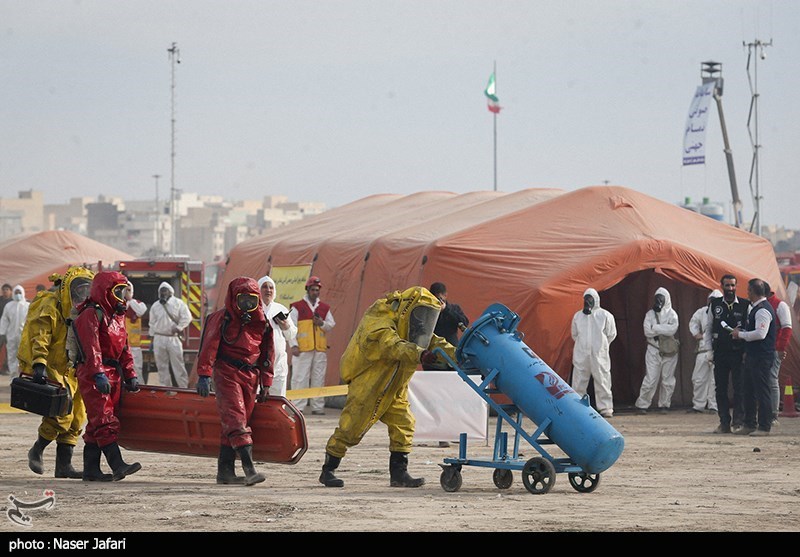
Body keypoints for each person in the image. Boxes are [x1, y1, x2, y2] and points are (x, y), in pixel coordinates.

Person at [319, 286, 456, 488]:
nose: (423, 320)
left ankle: (399, 474)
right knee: (351, 428)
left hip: (395, 386)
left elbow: (430, 340)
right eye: (421, 313)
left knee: (404, 424)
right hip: (370, 383)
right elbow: (391, 345)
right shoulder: (379, 320)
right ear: (408, 308)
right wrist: (420, 354)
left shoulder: (412, 323)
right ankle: (328, 470)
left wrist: (457, 354)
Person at [195, 276, 275, 486]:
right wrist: (204, 373)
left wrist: (266, 382)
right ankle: (250, 469)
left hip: (250, 376)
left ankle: (225, 472)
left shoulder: (262, 323)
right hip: (226, 372)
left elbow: (267, 354)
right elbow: (209, 346)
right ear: (233, 299)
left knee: (233, 424)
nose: (247, 306)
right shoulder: (222, 319)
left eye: (252, 300)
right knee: (236, 418)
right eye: (243, 301)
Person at [18, 267, 93, 479]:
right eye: (79, 290)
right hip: (52, 364)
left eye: (87, 290)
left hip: (73, 366)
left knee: (78, 415)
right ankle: (37, 449)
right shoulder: (50, 305)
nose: (83, 294)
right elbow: (40, 335)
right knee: (62, 412)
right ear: (68, 288)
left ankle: (64, 466)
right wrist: (39, 363)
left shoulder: (81, 309)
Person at [72, 271, 142, 481]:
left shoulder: (117, 315)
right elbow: (90, 346)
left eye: (123, 291)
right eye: (117, 291)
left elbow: (125, 347)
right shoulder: (91, 314)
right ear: (105, 291)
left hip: (113, 372)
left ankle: (91, 470)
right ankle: (117, 464)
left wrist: (130, 374)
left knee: (95, 424)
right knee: (104, 419)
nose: (122, 296)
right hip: (93, 373)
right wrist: (98, 373)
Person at [731, 278, 776, 436]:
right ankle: (749, 423)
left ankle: (764, 426)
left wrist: (740, 335)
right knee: (748, 390)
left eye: (749, 290)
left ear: (754, 292)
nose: (747, 293)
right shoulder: (755, 308)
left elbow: (760, 334)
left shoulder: (763, 310)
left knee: (762, 391)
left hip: (761, 357)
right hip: (752, 356)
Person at [708, 274, 750, 433]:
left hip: (739, 353)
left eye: (733, 285)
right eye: (727, 286)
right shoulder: (715, 305)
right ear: (722, 286)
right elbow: (709, 329)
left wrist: (746, 351)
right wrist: (709, 351)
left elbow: (750, 328)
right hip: (720, 353)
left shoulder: (745, 305)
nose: (730, 289)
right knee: (720, 388)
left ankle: (738, 421)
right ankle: (724, 422)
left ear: (736, 286)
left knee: (740, 388)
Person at [288, 276, 335, 415]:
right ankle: (298, 406)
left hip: (319, 349)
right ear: (307, 289)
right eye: (313, 289)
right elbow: (291, 327)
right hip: (302, 349)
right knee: (300, 377)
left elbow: (331, 325)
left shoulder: (324, 308)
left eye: (317, 290)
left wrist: (322, 323)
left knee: (318, 378)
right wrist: (293, 345)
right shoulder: (297, 307)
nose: (315, 292)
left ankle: (317, 407)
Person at [570, 287, 618, 418]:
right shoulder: (578, 316)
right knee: (579, 380)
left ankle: (606, 408)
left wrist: (602, 346)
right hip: (581, 354)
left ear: (596, 300)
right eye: (586, 299)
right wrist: (583, 346)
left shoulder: (605, 315)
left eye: (590, 300)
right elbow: (574, 334)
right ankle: (577, 407)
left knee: (602, 380)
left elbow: (611, 334)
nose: (588, 302)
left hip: (599, 354)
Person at [635, 287, 679, 414]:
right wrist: (662, 329)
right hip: (653, 349)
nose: (659, 301)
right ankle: (642, 404)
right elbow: (647, 332)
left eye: (661, 298)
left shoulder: (672, 314)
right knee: (650, 378)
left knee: (668, 379)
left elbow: (673, 329)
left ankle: (664, 404)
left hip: (669, 351)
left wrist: (655, 327)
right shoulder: (649, 314)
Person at [257, 275, 297, 398]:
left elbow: (291, 334)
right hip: (257, 364)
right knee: (254, 398)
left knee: (277, 400)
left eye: (271, 287)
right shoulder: (254, 309)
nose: (268, 290)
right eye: (264, 287)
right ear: (258, 290)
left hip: (278, 365)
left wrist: (286, 326)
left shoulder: (280, 309)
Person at [148, 281, 192, 388]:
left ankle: (183, 388)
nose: (163, 294)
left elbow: (187, 317)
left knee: (178, 365)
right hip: (159, 338)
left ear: (170, 292)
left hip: (173, 339)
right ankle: (165, 388)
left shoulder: (178, 303)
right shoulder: (155, 306)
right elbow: (152, 323)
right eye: (161, 292)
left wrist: (179, 327)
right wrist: (152, 338)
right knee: (161, 366)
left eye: (165, 291)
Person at [686, 289, 722, 414]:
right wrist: (697, 334)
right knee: (698, 378)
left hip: (718, 350)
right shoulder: (702, 312)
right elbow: (693, 322)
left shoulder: (725, 313)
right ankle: (698, 405)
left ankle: (714, 405)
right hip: (703, 349)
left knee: (715, 380)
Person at [763, 282, 792, 426]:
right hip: (762, 349)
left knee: (772, 379)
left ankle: (773, 414)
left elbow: (787, 328)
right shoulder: (759, 305)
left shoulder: (780, 305)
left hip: (774, 349)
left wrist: (780, 348)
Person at [424, 282, 469, 370]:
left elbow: (464, 322)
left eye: (440, 298)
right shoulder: (426, 311)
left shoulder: (454, 309)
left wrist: (446, 309)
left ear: (445, 296)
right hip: (433, 355)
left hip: (451, 353)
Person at [0, 285, 30, 379]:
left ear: (23, 293)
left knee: (24, 356)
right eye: (16, 293)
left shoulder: (27, 306)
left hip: (24, 336)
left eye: (19, 293)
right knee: (12, 355)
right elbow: (4, 320)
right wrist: (2, 333)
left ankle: (23, 376)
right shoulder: (9, 306)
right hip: (11, 335)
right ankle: (13, 376)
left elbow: (31, 321)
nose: (18, 295)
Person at [123, 282, 148, 383]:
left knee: (136, 371)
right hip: (120, 346)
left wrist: (130, 300)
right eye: (124, 290)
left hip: (134, 346)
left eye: (128, 290)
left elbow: (141, 311)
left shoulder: (139, 304)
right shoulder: (118, 305)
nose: (126, 292)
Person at [0, 283, 12, 375]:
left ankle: (6, 368)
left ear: (11, 291)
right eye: (4, 289)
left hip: (9, 330)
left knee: (9, 349)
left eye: (7, 289)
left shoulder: (13, 302)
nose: (5, 291)